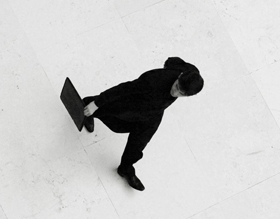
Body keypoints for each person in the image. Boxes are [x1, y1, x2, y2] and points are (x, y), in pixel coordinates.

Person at [82, 57, 203, 191]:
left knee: (139, 142)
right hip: (136, 101)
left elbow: (172, 61)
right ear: (179, 76)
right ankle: (88, 105)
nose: (175, 93)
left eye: (181, 93)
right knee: (114, 116)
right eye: (176, 86)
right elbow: (123, 89)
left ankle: (125, 168)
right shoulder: (152, 81)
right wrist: (96, 104)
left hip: (154, 113)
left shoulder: (191, 72)